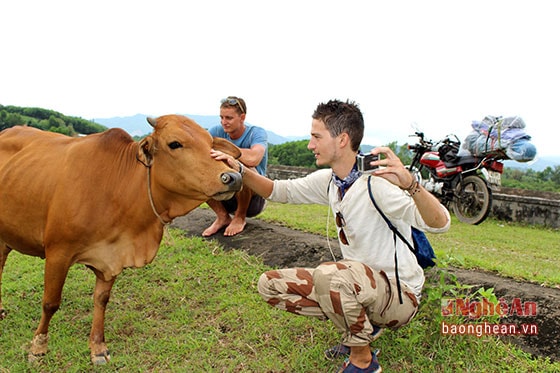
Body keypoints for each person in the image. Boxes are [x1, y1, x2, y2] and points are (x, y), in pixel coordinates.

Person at [210, 99, 450, 372]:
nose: (310, 145)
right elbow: (277, 190)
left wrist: (411, 184)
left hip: (398, 297)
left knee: (329, 275)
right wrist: (240, 169)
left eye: (316, 137)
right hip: (357, 286)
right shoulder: (330, 181)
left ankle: (363, 361)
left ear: (342, 140)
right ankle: (360, 330)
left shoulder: (377, 185)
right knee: (270, 285)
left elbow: (440, 223)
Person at [203, 96, 268, 237]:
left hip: (253, 198)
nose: (223, 122)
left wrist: (227, 152)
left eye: (229, 118)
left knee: (241, 167)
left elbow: (254, 158)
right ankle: (222, 217)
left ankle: (240, 217)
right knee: (199, 170)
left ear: (242, 117)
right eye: (221, 117)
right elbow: (201, 153)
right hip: (225, 191)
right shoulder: (215, 131)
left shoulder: (256, 133)